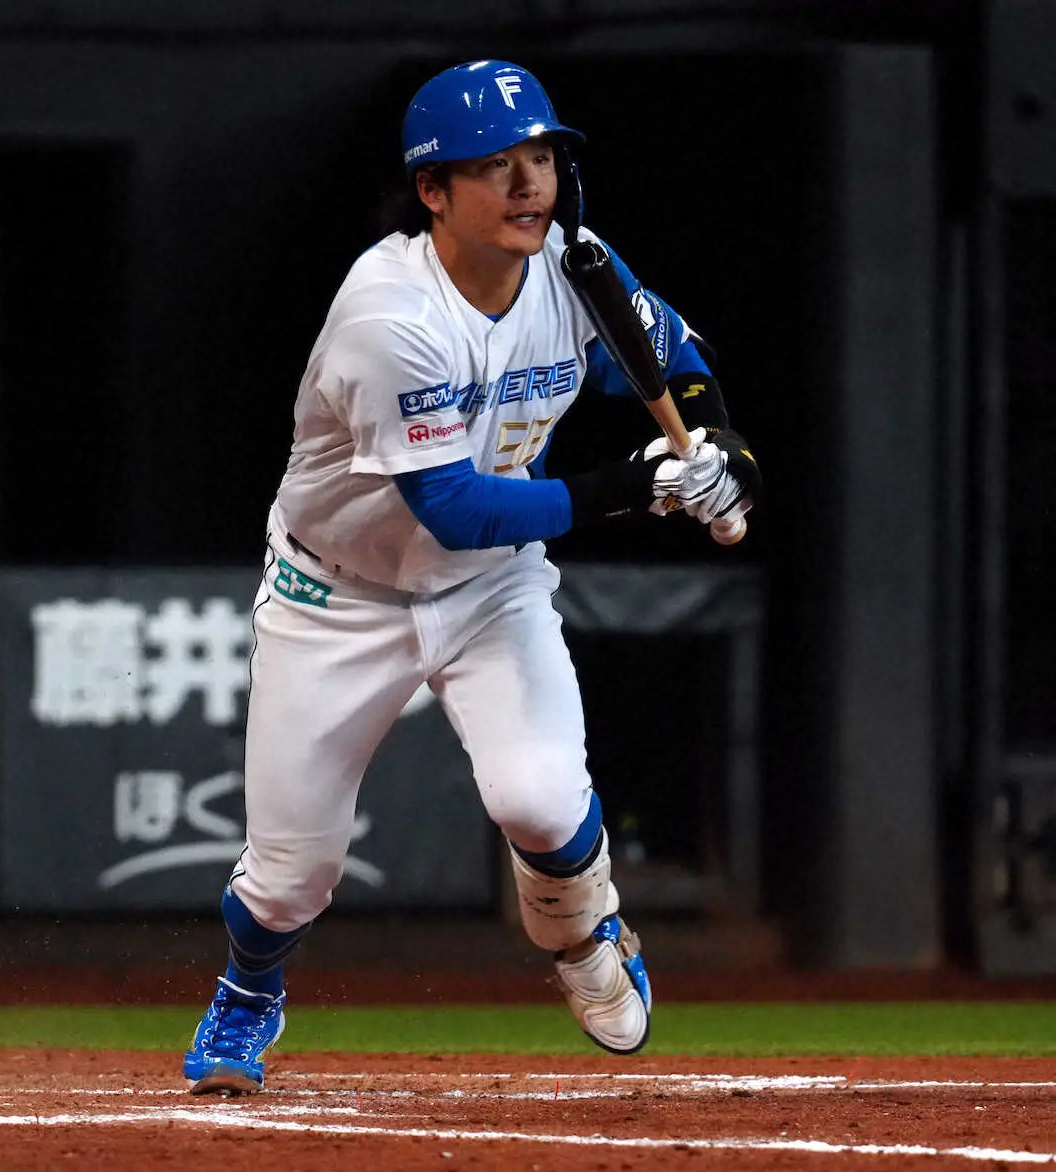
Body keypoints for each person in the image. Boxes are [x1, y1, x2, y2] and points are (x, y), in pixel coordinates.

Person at [183, 58, 761, 1095]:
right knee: (289, 879)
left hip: (489, 587)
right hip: (337, 596)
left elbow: (676, 361)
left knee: (540, 799)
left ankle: (584, 935)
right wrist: (633, 488)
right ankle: (248, 990)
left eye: (540, 156)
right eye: (494, 164)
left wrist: (721, 450)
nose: (529, 182)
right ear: (433, 191)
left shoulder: (577, 266)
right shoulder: (387, 315)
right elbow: (451, 506)